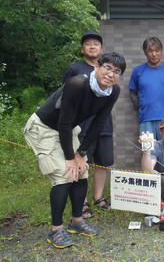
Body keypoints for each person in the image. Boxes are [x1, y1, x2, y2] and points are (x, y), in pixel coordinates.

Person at [24, 52, 126, 249]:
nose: (111, 74)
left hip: (67, 129)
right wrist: (70, 157)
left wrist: (81, 154)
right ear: (96, 66)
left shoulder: (113, 92)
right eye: (107, 68)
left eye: (117, 71)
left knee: (81, 171)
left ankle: (77, 221)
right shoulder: (77, 84)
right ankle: (55, 230)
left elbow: (99, 123)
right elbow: (64, 122)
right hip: (45, 128)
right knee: (64, 174)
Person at [63, 31, 112, 218]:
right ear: (82, 48)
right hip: (82, 126)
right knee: (82, 162)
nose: (92, 47)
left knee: (103, 162)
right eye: (88, 44)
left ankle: (98, 197)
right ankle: (81, 202)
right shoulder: (74, 69)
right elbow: (65, 98)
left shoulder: (108, 70)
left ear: (101, 49)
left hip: (104, 124)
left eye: (96, 44)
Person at [128, 37, 164, 141]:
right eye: (150, 51)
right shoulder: (138, 71)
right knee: (148, 152)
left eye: (157, 50)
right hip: (146, 119)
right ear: (145, 52)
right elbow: (132, 93)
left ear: (161, 51)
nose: (154, 54)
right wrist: (142, 106)